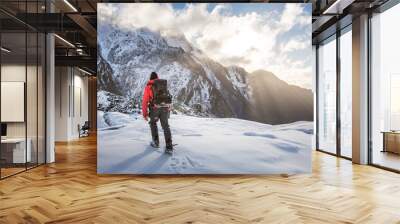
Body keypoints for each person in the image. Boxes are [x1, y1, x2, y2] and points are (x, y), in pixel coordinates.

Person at [142, 72, 173, 152]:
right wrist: (168, 109)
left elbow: (145, 101)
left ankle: (155, 142)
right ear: (157, 77)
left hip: (155, 108)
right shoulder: (163, 85)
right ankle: (169, 147)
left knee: (153, 123)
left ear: (150, 78)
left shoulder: (149, 86)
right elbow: (167, 97)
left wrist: (144, 114)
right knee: (166, 126)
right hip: (165, 107)